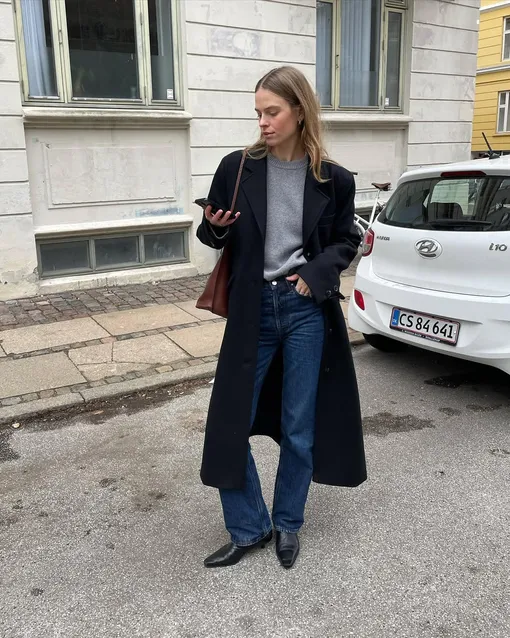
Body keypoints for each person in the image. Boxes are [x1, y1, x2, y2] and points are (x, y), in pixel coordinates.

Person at [196, 66, 366, 570]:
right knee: (229, 422)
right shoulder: (238, 167)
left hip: (305, 309)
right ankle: (250, 526)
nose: (263, 123)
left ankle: (288, 521)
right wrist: (215, 226)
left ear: (299, 112)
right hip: (252, 307)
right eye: (258, 113)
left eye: (272, 112)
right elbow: (213, 235)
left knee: (298, 425)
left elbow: (346, 240)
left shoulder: (334, 179)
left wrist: (315, 273)